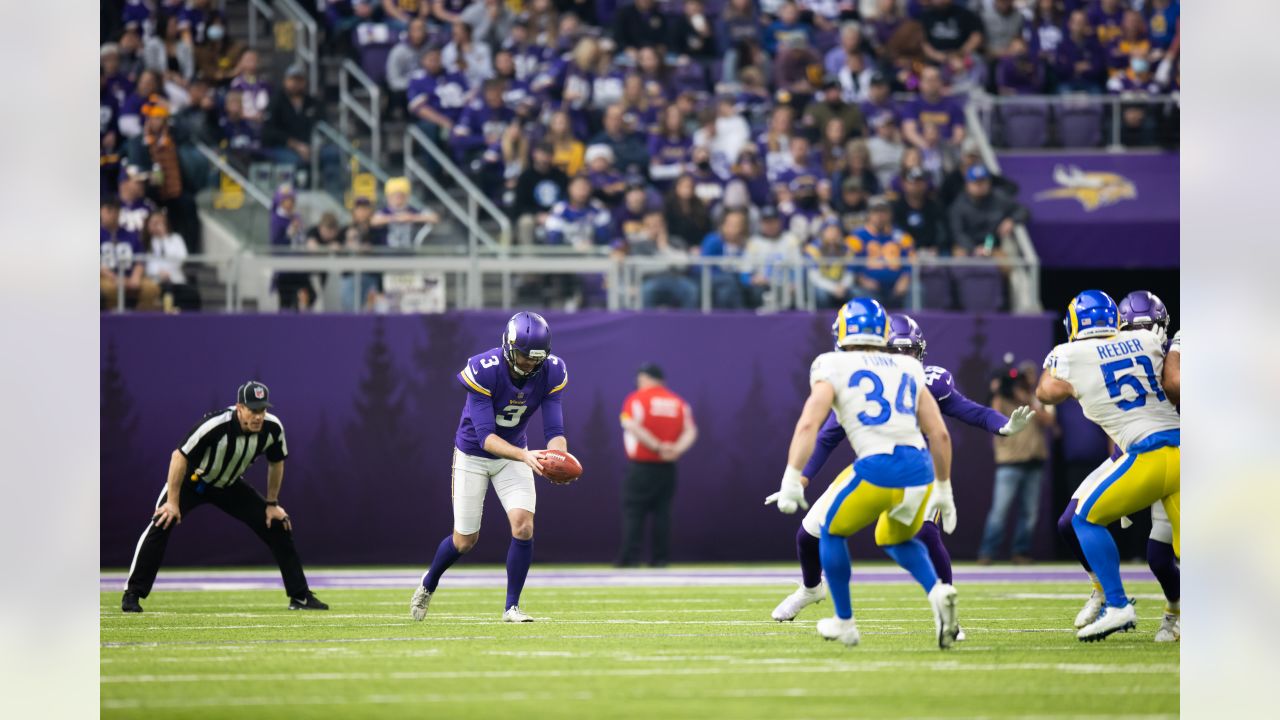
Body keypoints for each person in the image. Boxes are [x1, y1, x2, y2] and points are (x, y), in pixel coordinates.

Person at [770, 314, 1034, 639]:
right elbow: (827, 436)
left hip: (897, 470)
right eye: (897, 351)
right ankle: (812, 589)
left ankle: (928, 614)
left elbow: (968, 412)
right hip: (900, 467)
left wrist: (1001, 425)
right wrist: (801, 478)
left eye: (909, 351)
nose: (904, 359)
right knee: (810, 535)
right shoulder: (873, 377)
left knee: (918, 533)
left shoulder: (900, 377)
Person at [764, 299, 960, 648]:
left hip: (878, 467)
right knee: (895, 539)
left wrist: (792, 477)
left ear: (842, 330)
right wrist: (944, 488)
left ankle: (844, 621)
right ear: (883, 331)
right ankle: (937, 594)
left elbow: (810, 423)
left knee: (831, 531)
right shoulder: (909, 367)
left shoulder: (832, 364)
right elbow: (940, 434)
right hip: (921, 472)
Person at [1037, 290, 1180, 641]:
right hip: (1182, 453)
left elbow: (1046, 392)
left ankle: (1117, 604)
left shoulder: (1070, 354)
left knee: (1086, 518)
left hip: (1147, 453)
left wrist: (1059, 368)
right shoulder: (1149, 341)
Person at [411, 312, 571, 623]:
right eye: (524, 357)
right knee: (465, 541)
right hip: (474, 455)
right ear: (509, 348)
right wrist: (525, 457)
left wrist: (558, 460)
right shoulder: (484, 369)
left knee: (523, 526)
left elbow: (555, 433)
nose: (530, 364)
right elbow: (486, 438)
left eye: (536, 358)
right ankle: (428, 583)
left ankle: (511, 607)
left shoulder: (551, 372)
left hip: (515, 455)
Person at [122, 381, 329, 613]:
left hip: (229, 485)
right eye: (253, 409)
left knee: (277, 525)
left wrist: (272, 504)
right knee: (162, 520)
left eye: (262, 410)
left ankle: (300, 597)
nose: (258, 416)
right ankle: (133, 593)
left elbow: (276, 461)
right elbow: (179, 456)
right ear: (239, 407)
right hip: (194, 481)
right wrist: (172, 501)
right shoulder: (214, 426)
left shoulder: (272, 429)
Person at [616, 363, 698, 567]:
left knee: (634, 511)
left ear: (644, 378)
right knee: (663, 513)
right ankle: (661, 558)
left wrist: (657, 446)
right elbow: (691, 430)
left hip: (641, 465)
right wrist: (676, 449)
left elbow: (630, 424)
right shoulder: (679, 403)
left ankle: (630, 558)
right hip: (668, 467)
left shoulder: (635, 399)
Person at [977, 361, 1054, 564]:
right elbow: (991, 414)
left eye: (1031, 376)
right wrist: (999, 391)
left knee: (1029, 513)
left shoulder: (1040, 396)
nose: (1027, 380)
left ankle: (1021, 552)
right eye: (1023, 377)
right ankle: (987, 552)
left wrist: (1028, 400)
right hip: (1009, 463)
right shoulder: (1001, 398)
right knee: (999, 511)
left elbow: (1049, 421)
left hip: (1034, 461)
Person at [948, 165, 1029, 257]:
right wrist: (973, 248)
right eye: (976, 183)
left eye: (983, 182)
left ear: (989, 183)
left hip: (993, 245)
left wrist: (1011, 220)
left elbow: (1023, 210)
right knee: (960, 256)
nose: (980, 186)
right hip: (968, 247)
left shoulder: (998, 197)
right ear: (967, 184)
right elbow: (958, 233)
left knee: (1006, 259)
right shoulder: (959, 204)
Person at [101, 197, 161, 311]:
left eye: (115, 210)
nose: (112, 214)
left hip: (129, 276)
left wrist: (136, 277)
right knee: (108, 289)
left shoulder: (132, 234)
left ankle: (140, 320)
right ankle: (111, 321)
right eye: (108, 210)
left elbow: (140, 259)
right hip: (106, 277)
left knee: (151, 289)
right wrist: (115, 278)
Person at [142, 210, 201, 312]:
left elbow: (182, 258)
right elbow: (146, 264)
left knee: (193, 296)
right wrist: (158, 273)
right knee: (165, 293)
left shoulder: (175, 238)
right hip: (156, 282)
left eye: (160, 223)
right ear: (148, 225)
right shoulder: (145, 241)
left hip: (176, 280)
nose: (157, 226)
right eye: (154, 223)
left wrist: (164, 237)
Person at [513, 143, 570, 246]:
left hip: (557, 213)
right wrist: (537, 214)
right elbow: (520, 205)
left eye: (548, 155)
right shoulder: (525, 176)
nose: (545, 159)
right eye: (542, 154)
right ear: (535, 155)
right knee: (526, 222)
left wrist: (554, 214)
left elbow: (565, 199)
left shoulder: (560, 176)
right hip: (533, 214)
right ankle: (528, 256)